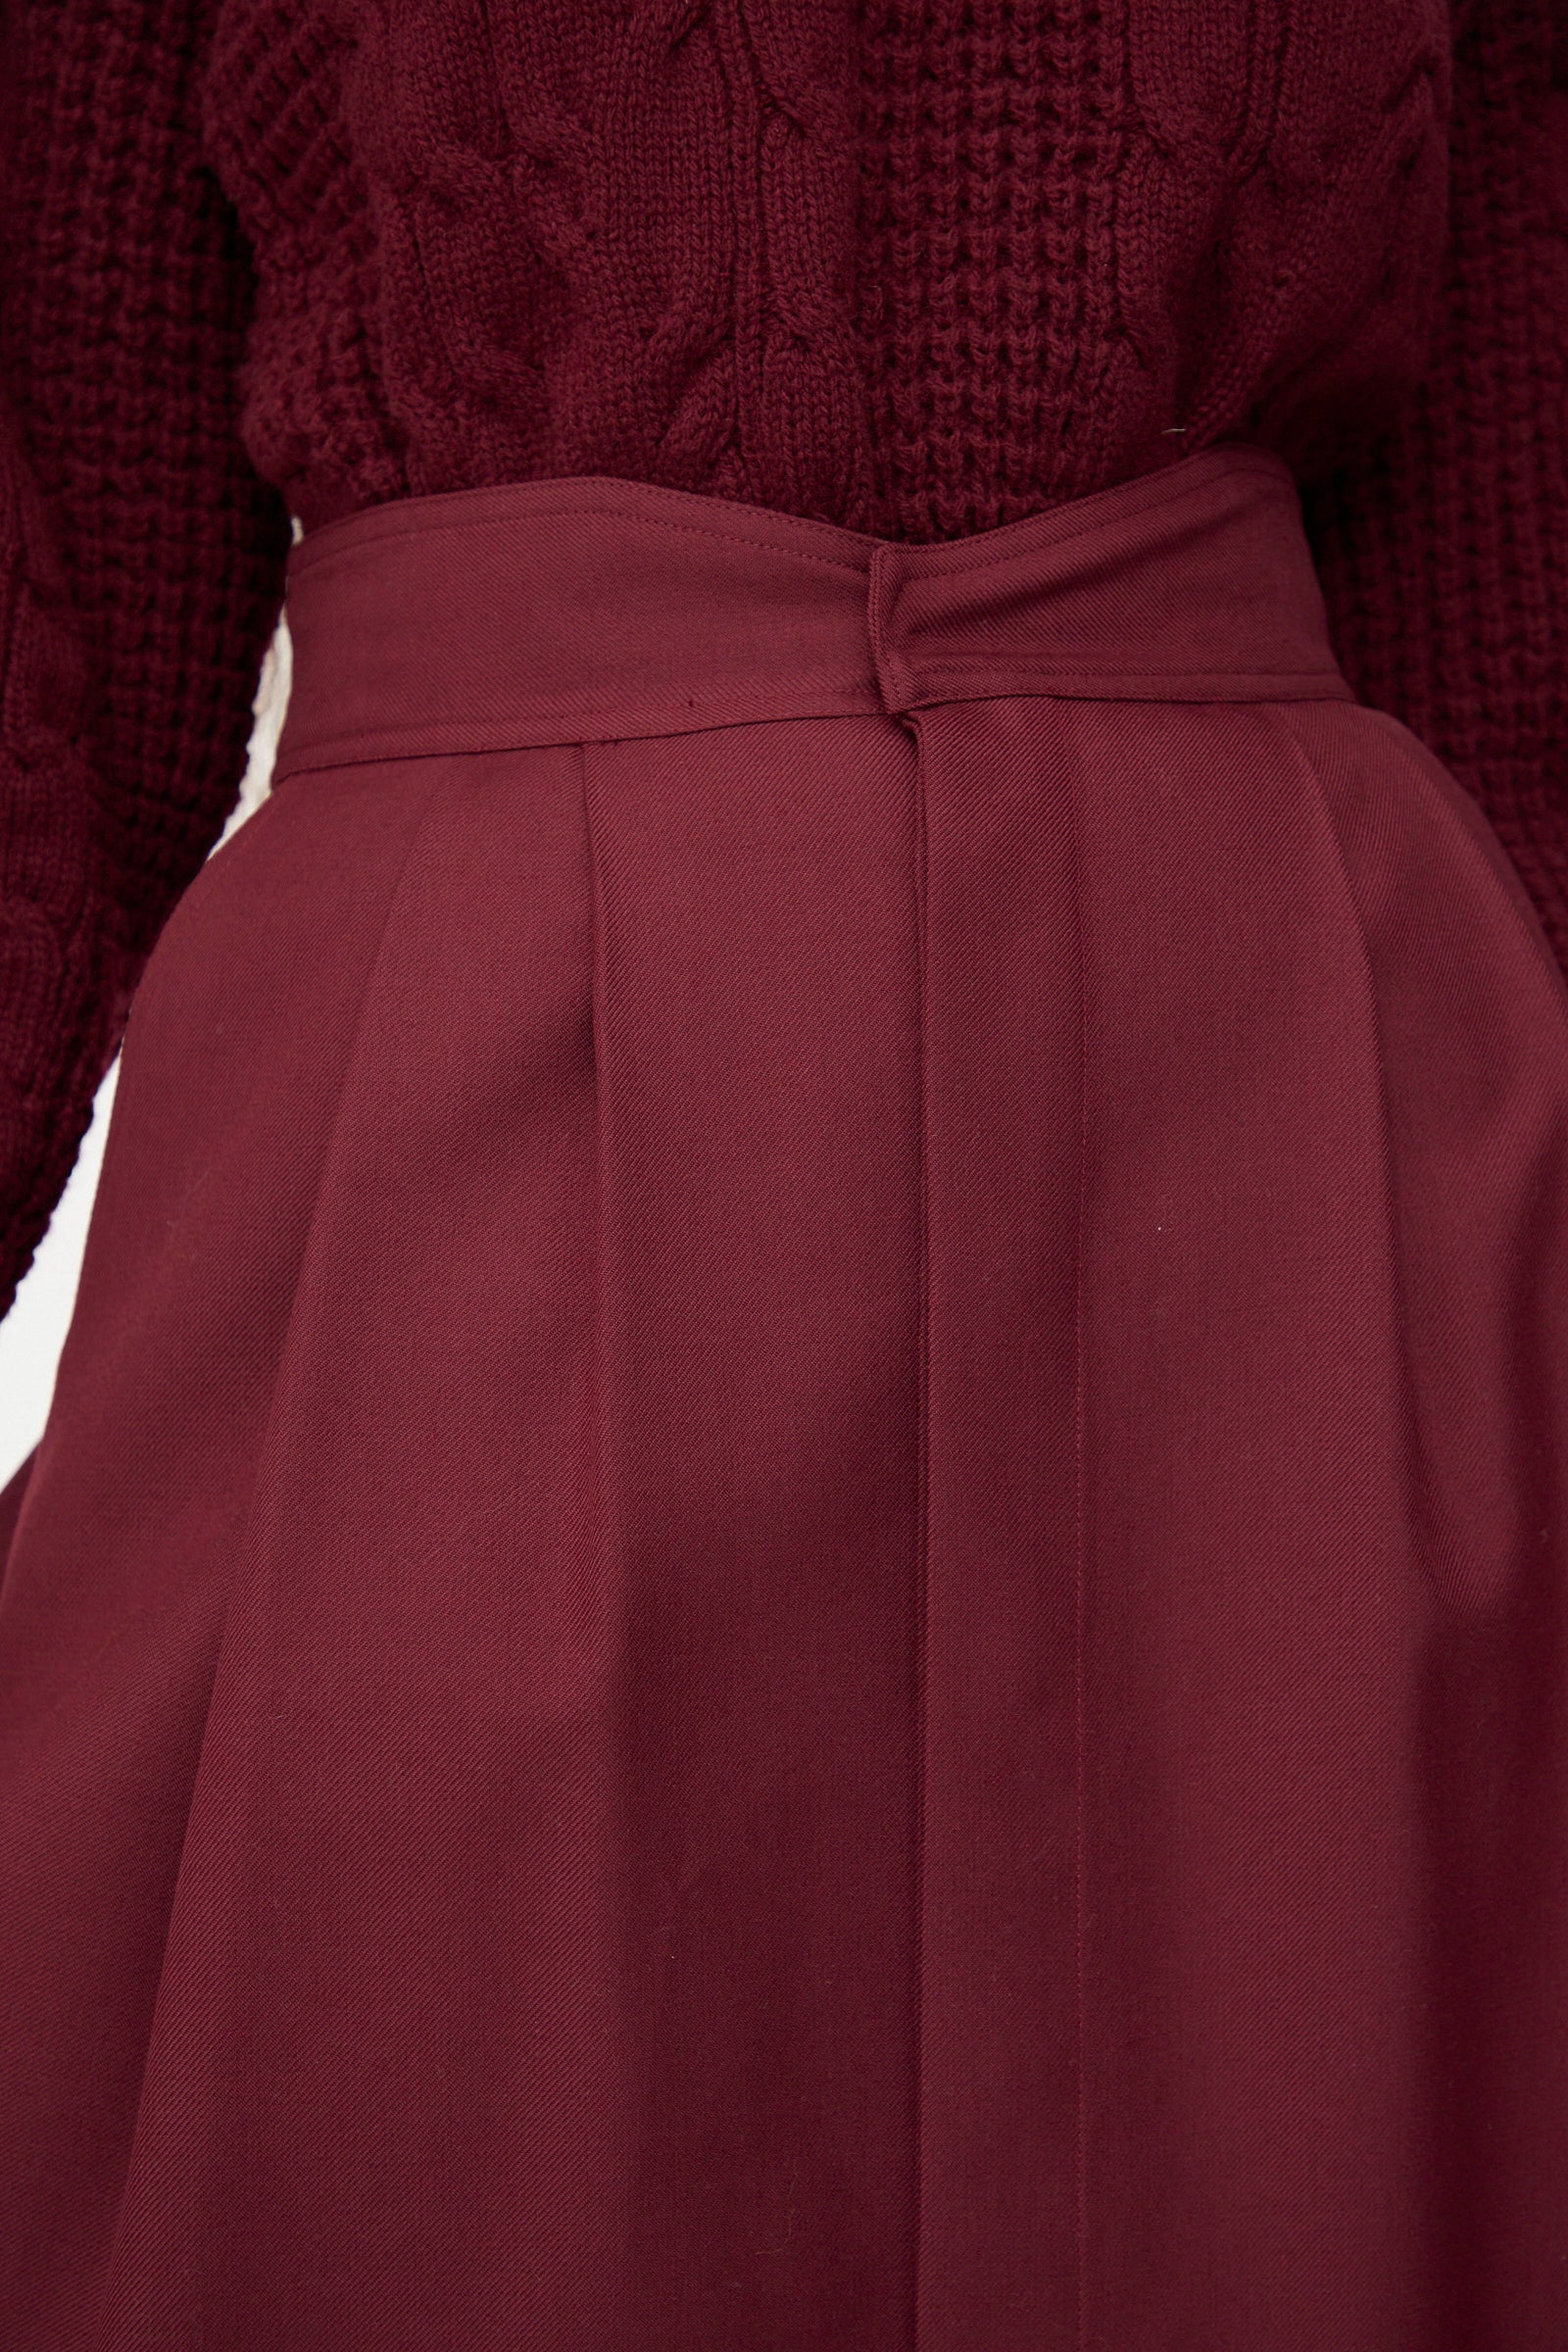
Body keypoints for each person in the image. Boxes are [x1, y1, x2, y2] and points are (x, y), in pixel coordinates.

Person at [1, 2, 1565, 2345]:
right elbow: (68, 579)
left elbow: (1500, 532)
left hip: (1273, 1158)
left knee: (1285, 2110)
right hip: (445, 1138)